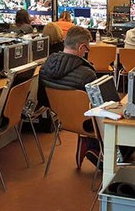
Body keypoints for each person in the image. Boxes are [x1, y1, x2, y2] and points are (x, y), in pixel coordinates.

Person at [38, 26, 99, 167]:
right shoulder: (87, 74)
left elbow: (42, 99)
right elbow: (98, 106)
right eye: (87, 48)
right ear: (82, 47)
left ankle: (89, 145)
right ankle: (94, 149)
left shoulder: (45, 66)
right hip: (86, 123)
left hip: (61, 119)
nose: (86, 52)